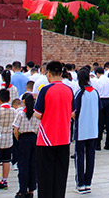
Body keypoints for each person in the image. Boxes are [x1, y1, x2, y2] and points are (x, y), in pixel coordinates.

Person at [34, 61, 73, 198]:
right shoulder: (69, 90)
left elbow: (38, 114)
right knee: (60, 176)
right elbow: (73, 112)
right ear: (61, 74)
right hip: (64, 137)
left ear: (48, 74)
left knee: (45, 177)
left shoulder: (45, 90)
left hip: (46, 138)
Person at [73, 69, 99, 193]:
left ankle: (81, 183)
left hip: (81, 130)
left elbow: (74, 112)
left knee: (80, 156)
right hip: (93, 129)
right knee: (90, 157)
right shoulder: (95, 92)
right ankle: (88, 182)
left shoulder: (79, 93)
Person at [12, 93, 39, 198]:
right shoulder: (36, 114)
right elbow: (39, 128)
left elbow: (15, 130)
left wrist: (18, 139)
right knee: (33, 164)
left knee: (23, 165)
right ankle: (31, 189)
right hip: (34, 138)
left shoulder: (21, 114)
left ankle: (22, 189)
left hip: (24, 138)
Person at [0, 89, 16, 191]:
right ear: (9, 99)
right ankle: (4, 180)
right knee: (6, 160)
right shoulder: (13, 111)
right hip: (8, 138)